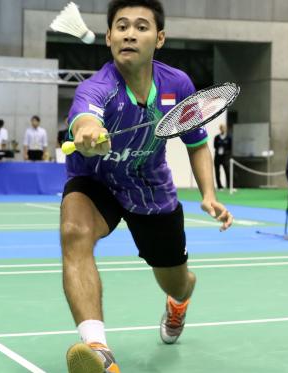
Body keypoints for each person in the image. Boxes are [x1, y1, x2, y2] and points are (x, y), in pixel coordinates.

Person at [60, 1, 233, 372]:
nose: (130, 33)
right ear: (108, 37)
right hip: (96, 181)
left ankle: (179, 301)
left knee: (177, 282)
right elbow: (85, 118)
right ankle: (97, 348)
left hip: (150, 188)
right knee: (74, 232)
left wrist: (208, 195)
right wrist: (87, 132)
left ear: (159, 38)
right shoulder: (97, 88)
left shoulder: (177, 84)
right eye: (121, 26)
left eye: (141, 27)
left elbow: (196, 142)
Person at [213, 123, 231, 189]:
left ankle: (229, 185)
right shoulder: (217, 137)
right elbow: (215, 146)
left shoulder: (229, 137)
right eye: (221, 128)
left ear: (225, 129)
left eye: (224, 128)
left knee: (227, 171)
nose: (222, 129)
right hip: (217, 157)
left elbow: (230, 147)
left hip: (225, 157)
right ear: (220, 129)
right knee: (217, 171)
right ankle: (219, 186)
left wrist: (226, 153)